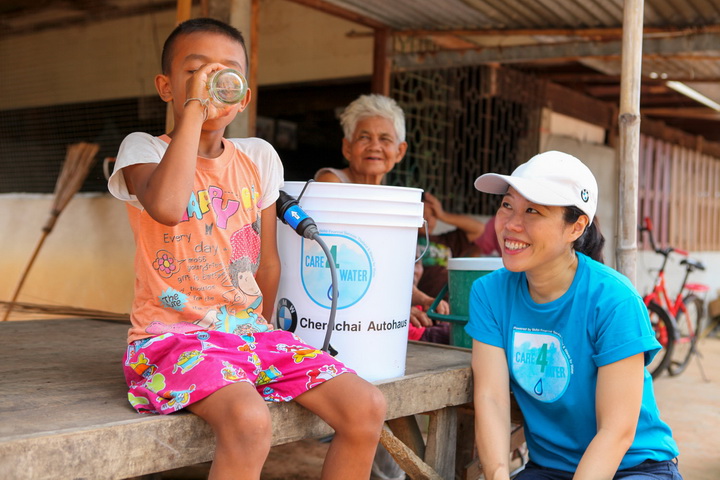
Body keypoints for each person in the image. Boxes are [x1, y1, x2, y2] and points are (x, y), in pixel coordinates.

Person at [107, 18, 385, 480]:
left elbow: (267, 263)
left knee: (366, 406)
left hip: (248, 334)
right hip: (170, 340)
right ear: (166, 86)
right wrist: (193, 111)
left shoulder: (258, 157)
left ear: (243, 96)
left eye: (225, 74)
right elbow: (169, 207)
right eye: (196, 71)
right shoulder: (142, 150)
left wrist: (263, 332)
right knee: (250, 420)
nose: (211, 83)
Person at [466, 151, 682, 479]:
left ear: (575, 227)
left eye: (533, 211)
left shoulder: (613, 300)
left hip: (635, 467)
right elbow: (491, 398)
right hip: (550, 469)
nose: (511, 224)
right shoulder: (489, 293)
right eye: (507, 205)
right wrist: (498, 475)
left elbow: (616, 432)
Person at [314, 93, 450, 337]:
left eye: (384, 139)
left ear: (400, 151)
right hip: (339, 311)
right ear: (347, 147)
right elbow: (341, 266)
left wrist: (423, 299)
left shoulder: (391, 199)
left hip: (380, 311)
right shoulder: (331, 182)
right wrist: (394, 307)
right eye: (364, 137)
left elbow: (390, 272)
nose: (374, 146)